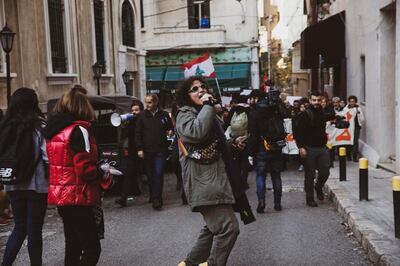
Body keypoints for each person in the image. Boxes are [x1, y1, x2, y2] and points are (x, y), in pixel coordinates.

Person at [176, 76, 244, 266]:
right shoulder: (185, 114)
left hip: (216, 181)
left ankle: (189, 264)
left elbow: (212, 146)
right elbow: (195, 134)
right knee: (228, 228)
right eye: (195, 89)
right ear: (186, 95)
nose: (201, 91)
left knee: (213, 228)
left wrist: (231, 144)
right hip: (203, 183)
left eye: (203, 87)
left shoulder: (208, 113)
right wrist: (208, 107)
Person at [44, 85, 112, 266]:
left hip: (61, 196)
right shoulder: (79, 130)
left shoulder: (54, 131)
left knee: (73, 245)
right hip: (78, 195)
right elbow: (84, 169)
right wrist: (102, 171)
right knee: (91, 248)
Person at [0, 88, 49, 266]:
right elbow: (46, 155)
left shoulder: (5, 126)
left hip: (12, 183)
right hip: (36, 184)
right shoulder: (40, 126)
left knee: (19, 227)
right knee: (34, 228)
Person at [295, 91, 336, 207]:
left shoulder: (323, 112)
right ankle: (310, 198)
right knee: (310, 174)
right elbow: (298, 133)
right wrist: (301, 147)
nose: (316, 102)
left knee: (325, 171)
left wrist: (333, 110)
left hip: (322, 148)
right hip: (309, 148)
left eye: (319, 100)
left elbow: (331, 116)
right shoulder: (304, 115)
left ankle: (318, 187)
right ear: (310, 100)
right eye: (314, 100)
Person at [248, 89, 286, 213]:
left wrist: (251, 153)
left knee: (260, 175)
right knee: (276, 176)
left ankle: (261, 201)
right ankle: (278, 203)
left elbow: (253, 135)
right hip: (276, 147)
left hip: (261, 148)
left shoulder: (254, 113)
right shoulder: (276, 109)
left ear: (256, 99)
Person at [135, 94, 173, 210]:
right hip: (147, 150)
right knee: (150, 175)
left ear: (156, 102)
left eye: (150, 102)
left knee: (159, 173)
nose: (147, 105)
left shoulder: (164, 115)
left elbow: (169, 126)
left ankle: (157, 199)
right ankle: (153, 194)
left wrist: (170, 131)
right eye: (146, 102)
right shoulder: (142, 116)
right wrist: (139, 148)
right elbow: (138, 133)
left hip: (160, 150)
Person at [115, 100, 144, 207]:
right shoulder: (130, 121)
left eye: (136, 110)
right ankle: (123, 197)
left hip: (145, 150)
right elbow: (124, 136)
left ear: (141, 110)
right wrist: (124, 125)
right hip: (133, 151)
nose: (134, 112)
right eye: (133, 110)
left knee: (150, 173)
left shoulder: (144, 120)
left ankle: (155, 196)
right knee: (129, 173)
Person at [226, 95, 251, 189]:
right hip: (245, 138)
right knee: (245, 160)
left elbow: (227, 123)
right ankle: (244, 181)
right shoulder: (249, 110)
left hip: (234, 139)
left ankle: (237, 181)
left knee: (236, 160)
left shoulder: (233, 110)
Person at [347, 96, 364, 162]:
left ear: (355, 102)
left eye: (353, 101)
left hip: (356, 126)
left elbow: (362, 118)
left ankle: (354, 156)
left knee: (355, 141)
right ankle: (348, 155)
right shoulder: (346, 108)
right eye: (350, 101)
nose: (352, 103)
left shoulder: (358, 108)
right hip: (349, 127)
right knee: (349, 141)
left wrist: (358, 113)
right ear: (349, 102)